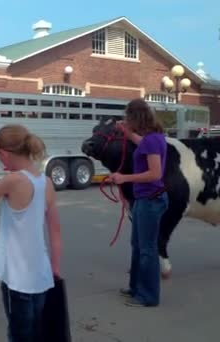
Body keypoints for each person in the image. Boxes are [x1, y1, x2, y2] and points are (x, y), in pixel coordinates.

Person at [0, 124, 61, 342]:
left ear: (3, 153)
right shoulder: (46, 182)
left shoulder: (13, 180)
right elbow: (55, 233)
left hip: (17, 277)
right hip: (42, 274)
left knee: (19, 334)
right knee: (38, 332)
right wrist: (55, 269)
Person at [109, 98, 168, 307]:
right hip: (146, 200)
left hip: (150, 200)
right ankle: (136, 288)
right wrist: (127, 133)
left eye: (127, 117)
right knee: (137, 246)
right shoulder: (155, 138)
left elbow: (155, 173)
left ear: (135, 118)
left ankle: (148, 297)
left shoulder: (152, 140)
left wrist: (124, 178)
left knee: (147, 250)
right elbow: (140, 143)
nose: (126, 120)